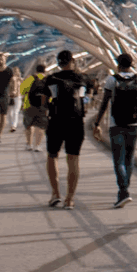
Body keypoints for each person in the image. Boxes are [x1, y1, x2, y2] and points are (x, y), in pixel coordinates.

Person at [92, 53, 137, 209]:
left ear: (118, 64)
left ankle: (123, 190)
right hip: (135, 124)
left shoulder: (112, 79)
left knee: (118, 160)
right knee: (129, 158)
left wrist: (97, 122)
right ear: (132, 64)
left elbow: (105, 103)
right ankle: (125, 189)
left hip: (116, 124)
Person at [36, 50, 94, 208]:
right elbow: (89, 95)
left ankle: (55, 193)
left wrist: (50, 107)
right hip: (76, 122)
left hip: (56, 120)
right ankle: (70, 198)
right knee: (73, 158)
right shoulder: (82, 78)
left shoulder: (51, 78)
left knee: (52, 155)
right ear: (73, 61)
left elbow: (42, 100)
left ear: (58, 62)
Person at [20, 64, 48, 151]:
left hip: (29, 105)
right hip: (43, 106)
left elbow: (22, 91)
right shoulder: (48, 80)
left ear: (36, 70)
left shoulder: (30, 78)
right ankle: (37, 145)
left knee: (29, 125)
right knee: (40, 126)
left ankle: (29, 144)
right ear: (45, 70)